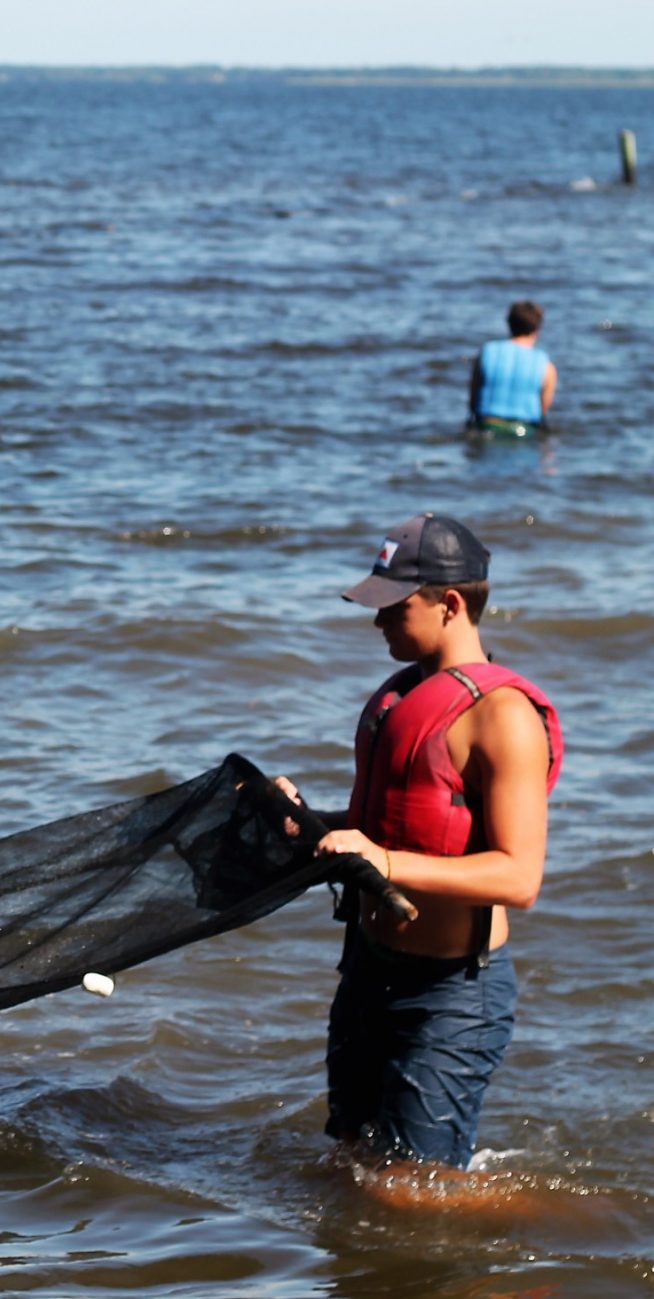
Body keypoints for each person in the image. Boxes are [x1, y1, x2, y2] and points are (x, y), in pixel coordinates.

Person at [278, 513, 562, 1171]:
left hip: (451, 994)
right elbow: (387, 827)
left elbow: (520, 878)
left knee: (414, 1195)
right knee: (350, 1164)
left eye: (393, 607)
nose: (377, 621)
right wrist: (306, 822)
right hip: (371, 967)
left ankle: (566, 1238)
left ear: (450, 603)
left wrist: (382, 860)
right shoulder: (403, 697)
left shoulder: (503, 718)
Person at [468, 300, 557, 435]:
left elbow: (473, 398)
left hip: (486, 425)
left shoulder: (487, 352)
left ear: (509, 324)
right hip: (523, 430)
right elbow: (543, 410)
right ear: (537, 329)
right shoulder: (546, 365)